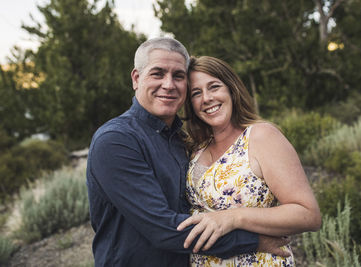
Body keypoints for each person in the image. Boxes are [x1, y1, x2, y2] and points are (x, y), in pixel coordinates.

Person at [86, 38, 290, 267]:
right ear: (136, 78)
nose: (169, 84)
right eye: (157, 73)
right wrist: (252, 241)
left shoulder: (183, 141)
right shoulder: (116, 140)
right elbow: (163, 228)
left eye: (178, 76)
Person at [177, 56, 322, 266]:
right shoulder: (196, 147)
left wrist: (233, 217)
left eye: (214, 87)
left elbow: (308, 215)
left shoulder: (261, 137)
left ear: (231, 90)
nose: (206, 98)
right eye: (196, 93)